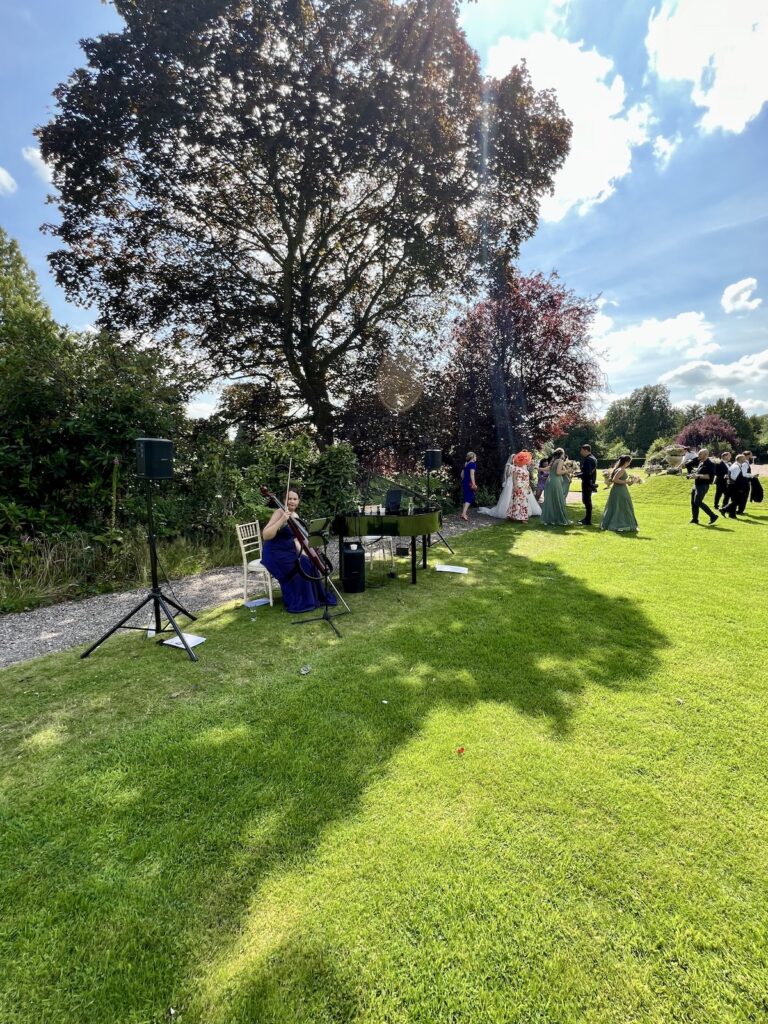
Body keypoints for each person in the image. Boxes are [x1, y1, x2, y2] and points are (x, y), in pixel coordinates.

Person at [261, 489, 338, 613]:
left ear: (298, 501)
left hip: (288, 550)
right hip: (275, 553)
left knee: (308, 563)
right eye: (289, 498)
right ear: (283, 500)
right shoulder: (280, 512)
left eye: (294, 499)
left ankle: (313, 597)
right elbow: (266, 535)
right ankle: (301, 601)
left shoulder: (295, 515)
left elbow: (297, 539)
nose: (291, 501)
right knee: (299, 567)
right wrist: (282, 520)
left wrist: (308, 552)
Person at [600, 455, 638, 532]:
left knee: (618, 506)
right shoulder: (621, 469)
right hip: (620, 490)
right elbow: (615, 480)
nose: (629, 463)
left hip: (620, 489)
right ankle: (620, 524)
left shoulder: (620, 469)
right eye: (629, 462)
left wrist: (633, 481)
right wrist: (627, 481)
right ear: (626, 462)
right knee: (622, 506)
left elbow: (622, 481)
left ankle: (614, 523)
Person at [540, 448, 571, 526]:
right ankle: (557, 518)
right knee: (557, 499)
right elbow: (558, 472)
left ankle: (550, 519)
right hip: (555, 482)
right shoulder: (560, 461)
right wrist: (568, 471)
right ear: (562, 454)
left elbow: (547, 469)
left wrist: (539, 468)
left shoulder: (553, 461)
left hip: (549, 481)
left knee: (550, 500)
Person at [507, 450, 540, 522]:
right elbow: (514, 479)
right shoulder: (515, 468)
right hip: (519, 486)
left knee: (523, 501)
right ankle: (515, 517)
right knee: (517, 501)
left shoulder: (524, 468)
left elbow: (527, 478)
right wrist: (515, 487)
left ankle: (521, 517)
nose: (527, 461)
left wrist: (528, 487)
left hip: (525, 487)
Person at [479, 454, 514, 519]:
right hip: (510, 481)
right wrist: (512, 472)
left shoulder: (515, 466)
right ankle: (506, 511)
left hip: (514, 481)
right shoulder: (508, 465)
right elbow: (507, 474)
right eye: (513, 458)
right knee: (508, 496)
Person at [689, 448, 718, 525]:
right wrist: (693, 475)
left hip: (703, 486)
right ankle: (695, 519)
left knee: (697, 502)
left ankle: (713, 516)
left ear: (705, 455)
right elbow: (699, 473)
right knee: (693, 502)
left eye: (700, 454)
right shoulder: (701, 462)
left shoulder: (710, 464)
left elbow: (709, 476)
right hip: (696, 485)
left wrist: (697, 476)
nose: (698, 455)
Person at [575, 443, 598, 526]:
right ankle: (587, 519)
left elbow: (587, 473)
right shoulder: (593, 458)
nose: (580, 452)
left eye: (581, 450)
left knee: (586, 501)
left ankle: (588, 520)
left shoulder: (588, 459)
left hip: (587, 483)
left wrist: (577, 475)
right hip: (591, 482)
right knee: (587, 501)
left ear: (586, 450)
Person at [460, 452, 478, 521]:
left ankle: (463, 513)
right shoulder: (473, 464)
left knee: (465, 498)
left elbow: (461, 475)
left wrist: (464, 480)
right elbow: (472, 475)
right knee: (469, 498)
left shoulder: (466, 464)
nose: (476, 458)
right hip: (469, 483)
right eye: (475, 457)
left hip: (464, 482)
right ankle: (464, 514)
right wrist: (473, 484)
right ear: (472, 457)